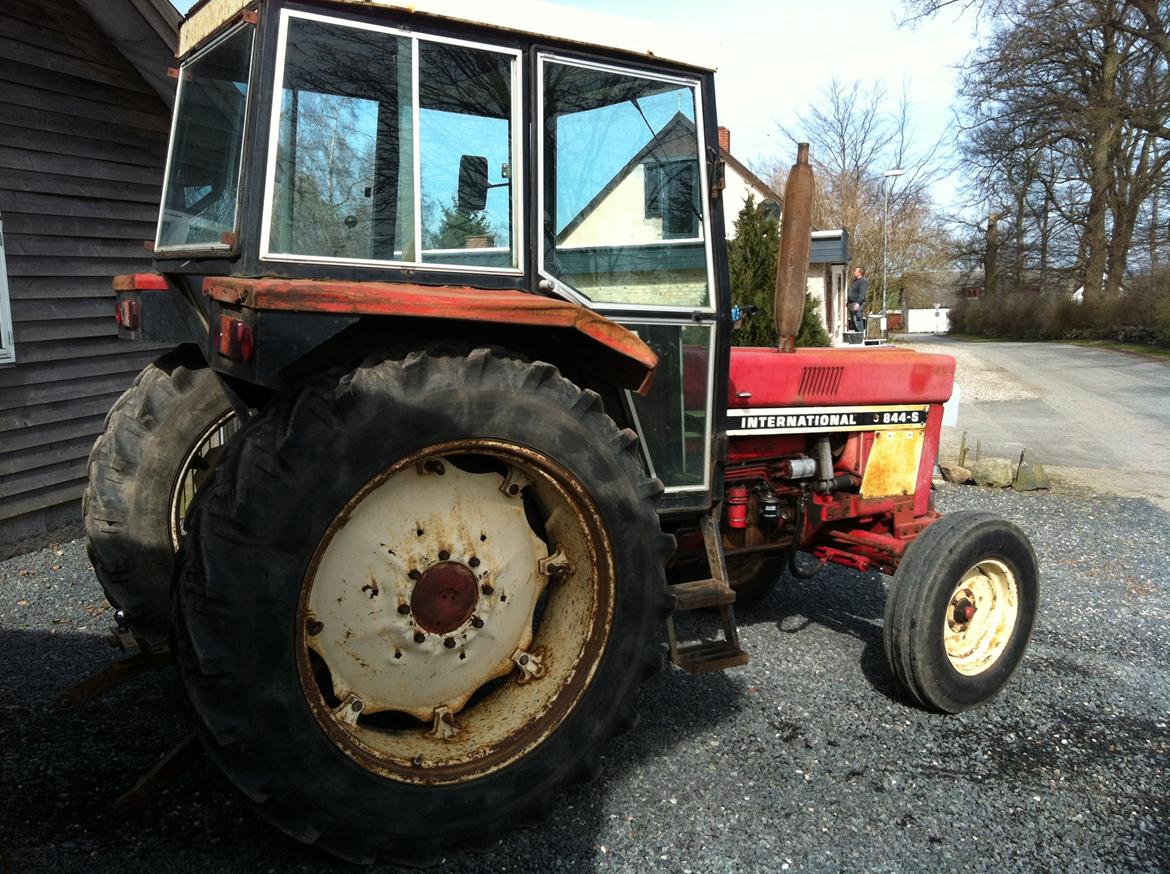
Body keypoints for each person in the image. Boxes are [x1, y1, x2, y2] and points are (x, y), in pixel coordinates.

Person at [847, 267, 868, 333]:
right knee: (853, 320)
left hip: (857, 303)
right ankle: (857, 334)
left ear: (859, 273)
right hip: (852, 303)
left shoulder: (863, 281)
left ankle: (860, 335)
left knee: (857, 318)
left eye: (855, 271)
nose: (854, 272)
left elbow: (862, 293)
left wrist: (858, 303)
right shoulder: (855, 281)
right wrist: (848, 301)